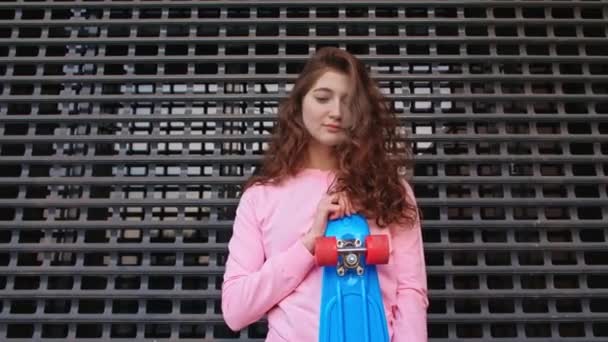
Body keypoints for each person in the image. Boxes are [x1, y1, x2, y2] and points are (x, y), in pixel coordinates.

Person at [221, 46, 428, 341]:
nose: (337, 112)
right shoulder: (261, 197)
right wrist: (308, 246)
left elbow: (411, 293)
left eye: (349, 101)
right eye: (323, 98)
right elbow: (235, 309)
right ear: (299, 103)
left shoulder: (390, 190)